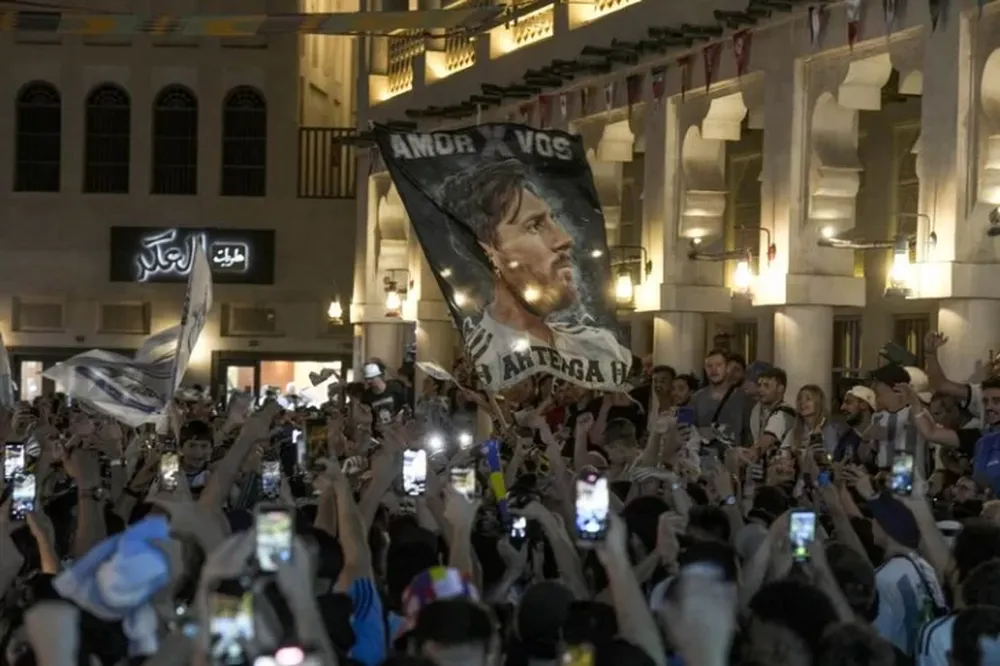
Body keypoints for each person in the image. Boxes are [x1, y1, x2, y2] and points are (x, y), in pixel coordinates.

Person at [438, 159, 631, 390]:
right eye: (534, 225)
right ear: (488, 251)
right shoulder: (484, 358)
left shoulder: (600, 346)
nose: (564, 239)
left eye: (553, 219)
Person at [361, 361, 408, 429]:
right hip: (378, 432)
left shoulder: (395, 388)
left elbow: (405, 408)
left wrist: (401, 416)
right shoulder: (366, 396)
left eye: (371, 378)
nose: (368, 381)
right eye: (367, 379)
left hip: (397, 431)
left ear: (379, 376)